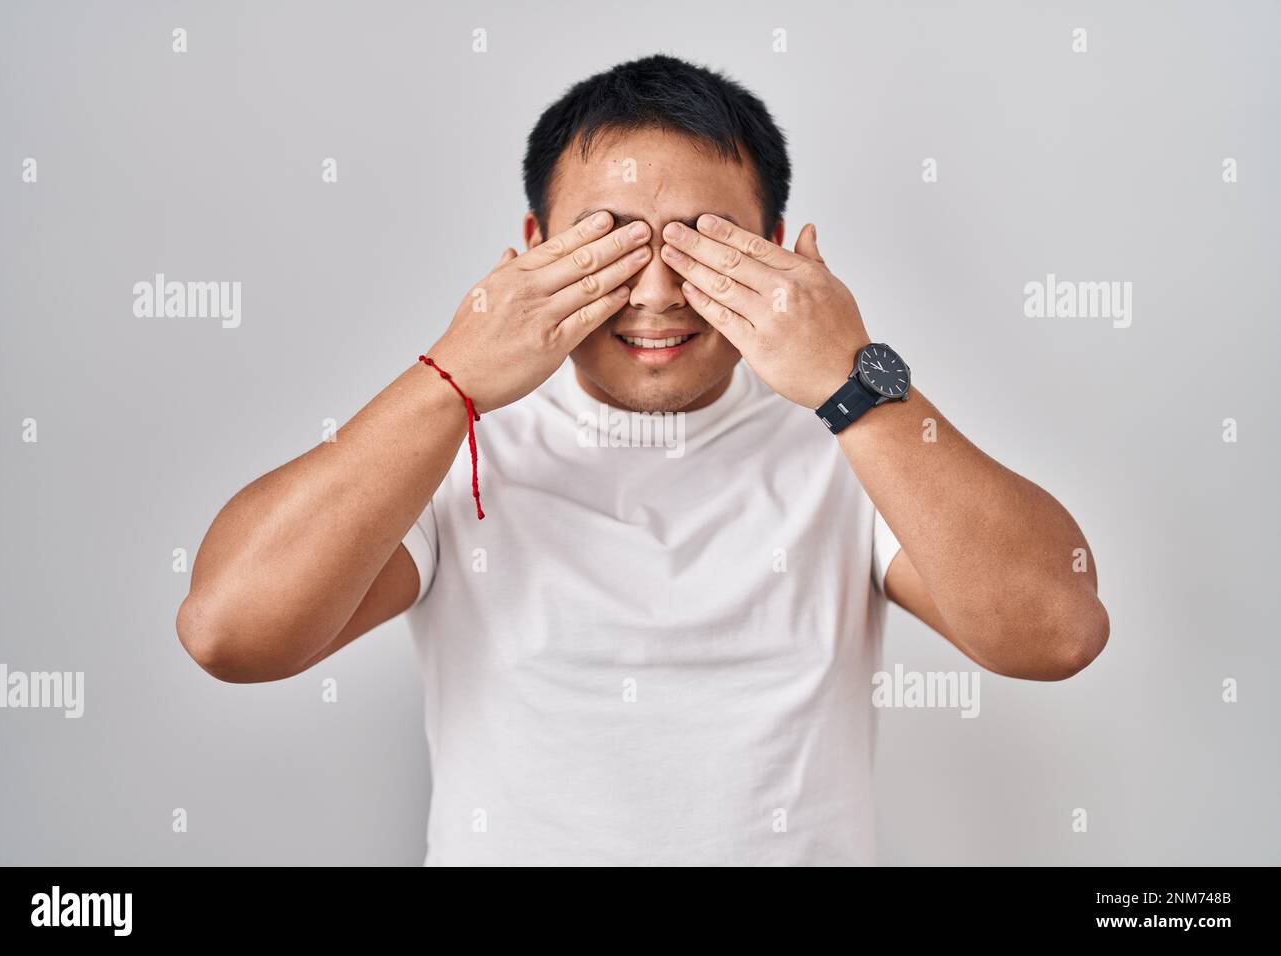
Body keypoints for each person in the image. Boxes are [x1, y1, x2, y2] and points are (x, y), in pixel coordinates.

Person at [177, 54, 1109, 865]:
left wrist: (852, 383)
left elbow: (1056, 632)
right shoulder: (451, 448)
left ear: (778, 252)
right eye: (610, 242)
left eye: (706, 244)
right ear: (533, 248)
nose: (657, 292)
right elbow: (231, 633)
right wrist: (449, 375)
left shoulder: (852, 446)